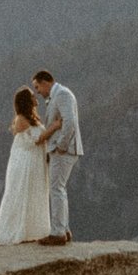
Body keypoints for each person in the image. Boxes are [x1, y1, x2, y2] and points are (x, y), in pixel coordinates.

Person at [0, 87, 55, 244]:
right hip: (25, 163)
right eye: (33, 96)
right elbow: (38, 138)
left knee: (34, 194)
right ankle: (18, 230)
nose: (36, 99)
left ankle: (32, 230)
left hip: (34, 162)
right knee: (23, 193)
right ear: (26, 101)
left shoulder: (31, 118)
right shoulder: (21, 119)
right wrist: (55, 126)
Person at [31, 68, 82, 245]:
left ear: (45, 82)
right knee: (59, 189)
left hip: (64, 150)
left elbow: (69, 121)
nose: (37, 92)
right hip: (64, 150)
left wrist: (61, 146)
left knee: (56, 189)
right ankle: (64, 229)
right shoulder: (59, 95)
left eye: (38, 87)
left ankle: (58, 232)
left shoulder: (61, 94)